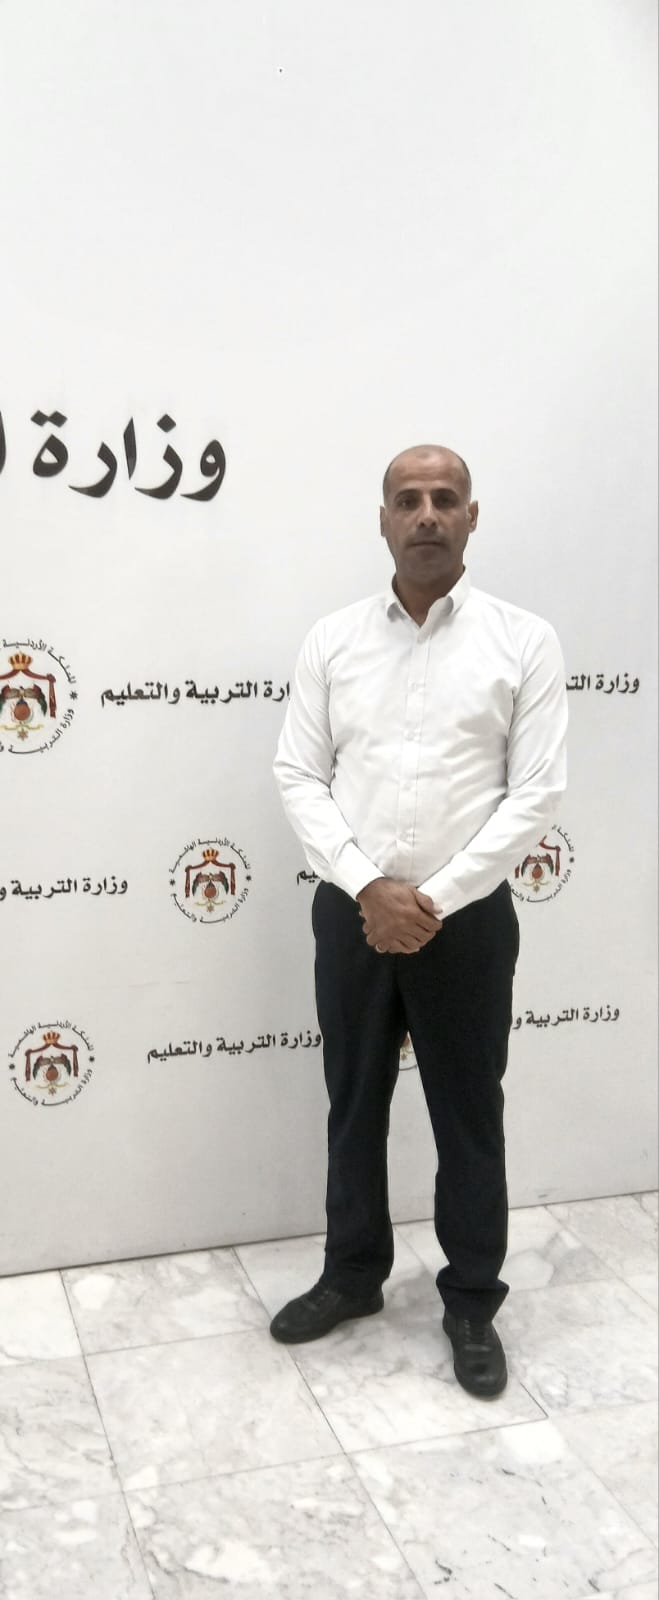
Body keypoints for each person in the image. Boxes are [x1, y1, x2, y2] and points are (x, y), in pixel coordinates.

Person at [271, 444, 567, 1398]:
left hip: (465, 922)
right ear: (384, 520)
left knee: (468, 1113)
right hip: (351, 912)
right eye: (408, 499)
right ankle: (352, 1274)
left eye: (445, 498)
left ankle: (471, 1298)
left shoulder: (523, 641)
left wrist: (430, 898)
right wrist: (369, 888)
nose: (427, 513)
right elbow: (298, 774)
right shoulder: (333, 641)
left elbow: (535, 794)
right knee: (353, 1102)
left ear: (472, 517)